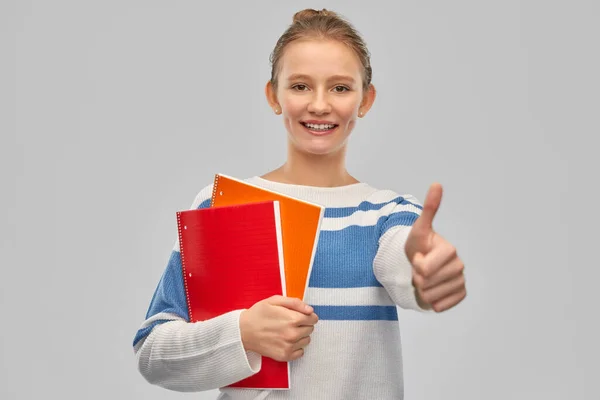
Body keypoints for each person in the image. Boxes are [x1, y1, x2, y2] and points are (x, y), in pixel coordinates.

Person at [133, 8, 467, 400]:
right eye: (300, 86)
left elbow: (408, 262)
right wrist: (242, 332)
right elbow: (153, 351)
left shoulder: (386, 215)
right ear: (273, 95)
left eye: (341, 88)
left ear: (366, 99)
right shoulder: (221, 206)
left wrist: (424, 272)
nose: (320, 105)